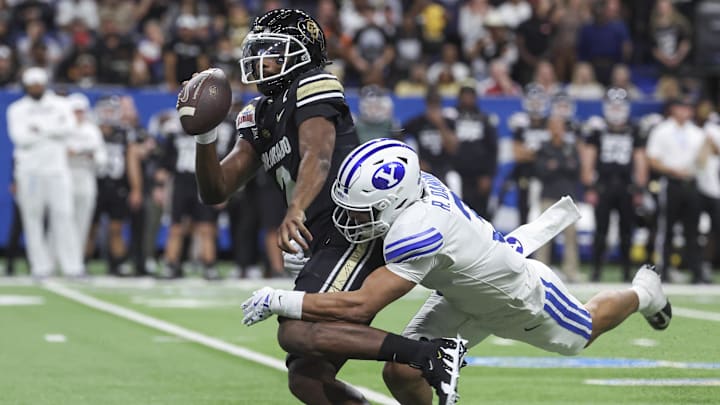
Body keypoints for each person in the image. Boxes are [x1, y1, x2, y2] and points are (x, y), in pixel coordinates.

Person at [242, 139, 672, 405]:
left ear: (396, 201)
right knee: (401, 370)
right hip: (459, 293)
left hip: (515, 294)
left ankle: (643, 292)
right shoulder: (415, 190)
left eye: (365, 211)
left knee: (583, 333)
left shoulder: (417, 228)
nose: (353, 220)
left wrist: (281, 299)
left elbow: (361, 305)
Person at [187, 9, 460, 405]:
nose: (259, 60)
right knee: (307, 376)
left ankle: (428, 355)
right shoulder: (257, 114)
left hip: (351, 227)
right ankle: (426, 356)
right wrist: (205, 136)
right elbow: (216, 189)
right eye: (257, 50)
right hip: (326, 239)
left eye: (271, 51)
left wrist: (296, 207)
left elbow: (319, 153)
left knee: (293, 331)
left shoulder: (314, 84)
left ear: (300, 54)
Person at [6, 67, 84, 278]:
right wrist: (52, 131)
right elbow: (20, 138)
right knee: (32, 218)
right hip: (30, 171)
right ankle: (40, 267)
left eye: (39, 84)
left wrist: (40, 129)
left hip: (57, 169)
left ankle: (72, 267)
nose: (36, 88)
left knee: (65, 216)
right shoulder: (17, 109)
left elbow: (69, 129)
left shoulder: (61, 105)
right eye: (32, 85)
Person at [583, 88, 649, 282]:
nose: (617, 110)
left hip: (626, 186)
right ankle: (596, 270)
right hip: (603, 185)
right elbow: (589, 158)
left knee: (626, 232)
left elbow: (640, 159)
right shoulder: (597, 128)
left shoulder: (634, 128)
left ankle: (627, 271)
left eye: (620, 106)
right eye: (613, 106)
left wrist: (639, 187)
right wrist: (590, 186)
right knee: (600, 231)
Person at [647, 97, 705, 283]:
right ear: (673, 109)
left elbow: (704, 158)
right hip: (671, 183)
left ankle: (696, 271)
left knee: (693, 230)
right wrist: (672, 170)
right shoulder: (662, 130)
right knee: (666, 228)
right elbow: (653, 159)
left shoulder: (698, 132)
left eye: (688, 108)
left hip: (691, 183)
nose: (685, 112)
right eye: (681, 107)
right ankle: (662, 269)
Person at [534, 115, 581, 282]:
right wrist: (561, 165)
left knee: (571, 236)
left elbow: (575, 169)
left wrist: (556, 165)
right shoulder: (544, 147)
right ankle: (539, 272)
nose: (556, 130)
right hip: (548, 195)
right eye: (553, 126)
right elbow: (540, 170)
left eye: (559, 126)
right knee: (543, 236)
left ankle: (571, 271)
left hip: (567, 197)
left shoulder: (570, 147)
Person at [66, 93, 106, 257]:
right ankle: (53, 260)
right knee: (62, 220)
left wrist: (89, 155)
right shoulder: (62, 129)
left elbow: (101, 158)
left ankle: (76, 260)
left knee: (83, 221)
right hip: (65, 177)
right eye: (75, 111)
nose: (79, 114)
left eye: (81, 111)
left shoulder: (92, 130)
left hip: (86, 176)